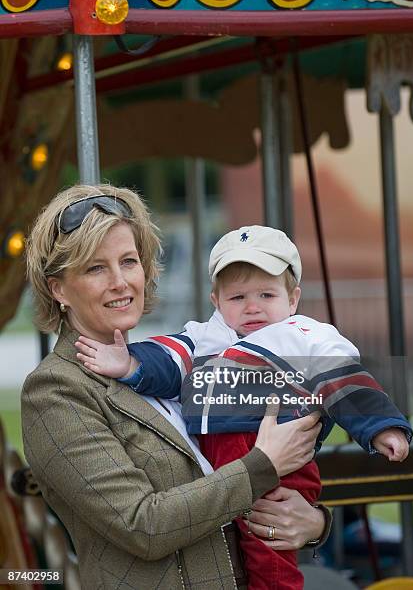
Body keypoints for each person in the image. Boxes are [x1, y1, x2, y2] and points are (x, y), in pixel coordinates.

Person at [22, 187, 330, 590]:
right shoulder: (54, 391)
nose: (120, 281)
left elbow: (239, 468)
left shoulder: (168, 362)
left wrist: (313, 522)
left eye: (129, 261)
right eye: (96, 268)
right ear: (58, 289)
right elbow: (143, 525)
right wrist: (262, 466)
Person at [75, 224, 412, 590]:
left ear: (293, 298)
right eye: (237, 298)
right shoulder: (206, 338)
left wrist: (381, 426)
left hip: (279, 463)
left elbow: (347, 381)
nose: (252, 307)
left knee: (268, 549)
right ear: (216, 301)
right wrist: (129, 364)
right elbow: (168, 358)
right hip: (220, 463)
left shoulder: (306, 337)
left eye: (266, 294)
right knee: (222, 542)